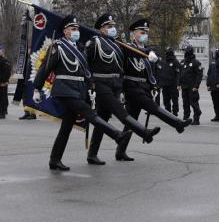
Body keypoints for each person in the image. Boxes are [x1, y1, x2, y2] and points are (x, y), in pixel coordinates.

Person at [32, 15, 130, 171]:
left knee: (66, 127)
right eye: (73, 29)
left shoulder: (80, 48)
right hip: (64, 89)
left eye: (77, 29)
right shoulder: (58, 47)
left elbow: (85, 71)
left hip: (78, 90)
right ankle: (116, 134)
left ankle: (54, 159)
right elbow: (45, 68)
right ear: (65, 31)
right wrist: (37, 88)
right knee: (88, 112)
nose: (76, 31)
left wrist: (91, 87)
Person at [85, 13, 161, 165]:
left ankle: (92, 154)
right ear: (102, 29)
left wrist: (148, 52)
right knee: (120, 111)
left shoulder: (116, 44)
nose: (112, 29)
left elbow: (133, 51)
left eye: (113, 26)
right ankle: (144, 132)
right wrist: (89, 84)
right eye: (109, 26)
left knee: (102, 120)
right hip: (101, 84)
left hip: (114, 85)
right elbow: (85, 63)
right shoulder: (95, 42)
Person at [117, 19, 192, 161]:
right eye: (142, 32)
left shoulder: (149, 53)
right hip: (131, 86)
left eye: (146, 32)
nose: (144, 35)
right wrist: (120, 89)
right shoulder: (128, 48)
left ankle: (120, 151)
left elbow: (150, 72)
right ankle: (177, 123)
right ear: (133, 34)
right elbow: (121, 69)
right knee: (153, 107)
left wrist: (153, 86)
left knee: (131, 121)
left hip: (143, 87)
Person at [156, 46, 180, 117]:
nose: (167, 53)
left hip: (173, 85)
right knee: (166, 100)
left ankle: (175, 113)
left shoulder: (175, 62)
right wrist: (159, 83)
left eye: (168, 52)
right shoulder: (163, 62)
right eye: (166, 52)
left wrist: (178, 84)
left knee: (174, 100)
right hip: (165, 85)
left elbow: (178, 74)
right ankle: (168, 113)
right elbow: (160, 73)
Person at [207, 48, 219, 122]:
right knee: (215, 102)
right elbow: (209, 74)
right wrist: (208, 84)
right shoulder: (212, 63)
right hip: (213, 86)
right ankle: (217, 115)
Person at [0, 45, 10, 119]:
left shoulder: (4, 61)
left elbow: (7, 72)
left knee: (2, 98)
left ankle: (2, 112)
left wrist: (4, 81)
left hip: (2, 82)